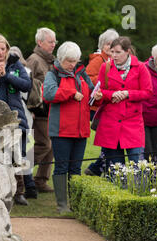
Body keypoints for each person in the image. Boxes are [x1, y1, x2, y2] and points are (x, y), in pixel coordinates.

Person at [43, 41, 102, 213]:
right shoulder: (53, 74)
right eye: (69, 61)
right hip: (61, 130)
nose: (72, 64)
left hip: (81, 129)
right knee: (62, 166)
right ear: (60, 59)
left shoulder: (81, 74)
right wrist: (70, 94)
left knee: (76, 168)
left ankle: (75, 203)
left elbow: (90, 96)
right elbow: (48, 94)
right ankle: (62, 205)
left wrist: (97, 97)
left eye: (75, 60)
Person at [0, 34, 36, 206]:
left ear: (7, 48)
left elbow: (26, 85)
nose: (0, 52)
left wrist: (6, 76)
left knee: (17, 154)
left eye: (3, 49)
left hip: (15, 115)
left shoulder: (14, 63)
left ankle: (19, 192)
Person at [93, 36, 153, 170]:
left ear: (127, 52)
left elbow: (148, 92)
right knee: (115, 170)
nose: (114, 55)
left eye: (118, 52)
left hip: (133, 124)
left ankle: (139, 191)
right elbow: (100, 91)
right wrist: (111, 94)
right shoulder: (105, 67)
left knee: (138, 168)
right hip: (111, 123)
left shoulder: (141, 68)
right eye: (112, 51)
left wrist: (128, 94)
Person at [84, 29, 120, 177]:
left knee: (110, 138)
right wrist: (105, 82)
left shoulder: (115, 60)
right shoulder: (99, 60)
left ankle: (98, 167)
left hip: (108, 105)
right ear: (102, 45)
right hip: (97, 106)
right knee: (109, 138)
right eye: (107, 44)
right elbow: (88, 78)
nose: (110, 47)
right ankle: (98, 167)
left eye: (113, 44)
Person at [26, 27, 57, 193]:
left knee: (51, 147)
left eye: (54, 41)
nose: (53, 44)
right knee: (44, 144)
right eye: (50, 41)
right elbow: (28, 86)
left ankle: (41, 180)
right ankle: (20, 172)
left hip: (50, 109)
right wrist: (32, 107)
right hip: (39, 110)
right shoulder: (34, 60)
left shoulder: (50, 60)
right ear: (40, 42)